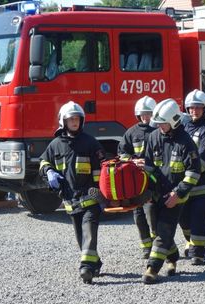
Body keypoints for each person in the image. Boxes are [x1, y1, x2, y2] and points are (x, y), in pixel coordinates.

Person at [39, 101, 105, 284]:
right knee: (80, 238)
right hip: (71, 202)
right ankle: (95, 263)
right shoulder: (55, 145)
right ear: (63, 121)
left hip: (90, 199)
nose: (75, 122)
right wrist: (49, 172)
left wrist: (103, 196)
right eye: (71, 119)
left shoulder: (90, 143)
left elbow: (102, 171)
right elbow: (44, 162)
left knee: (89, 232)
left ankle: (86, 268)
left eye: (77, 119)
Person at [141, 98, 201, 284]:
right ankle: (173, 256)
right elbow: (149, 168)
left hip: (176, 197)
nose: (160, 127)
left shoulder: (186, 142)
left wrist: (178, 194)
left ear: (174, 120)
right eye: (158, 123)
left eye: (163, 123)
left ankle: (152, 268)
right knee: (155, 229)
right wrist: (147, 193)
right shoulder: (153, 137)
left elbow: (193, 173)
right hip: (155, 195)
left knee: (164, 231)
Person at [179, 89, 205, 266]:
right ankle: (190, 243)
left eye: (197, 108)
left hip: (204, 182)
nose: (194, 111)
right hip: (185, 181)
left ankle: (198, 253)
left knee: (199, 217)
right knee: (184, 217)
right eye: (191, 108)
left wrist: (185, 172)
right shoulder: (184, 127)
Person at [117, 96, 157, 259]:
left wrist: (148, 163)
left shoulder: (158, 131)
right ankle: (146, 247)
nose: (146, 117)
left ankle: (158, 246)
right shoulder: (131, 132)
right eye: (143, 114)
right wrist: (133, 160)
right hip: (135, 181)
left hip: (152, 180)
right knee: (138, 214)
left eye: (149, 114)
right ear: (138, 115)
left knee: (152, 213)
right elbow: (121, 153)